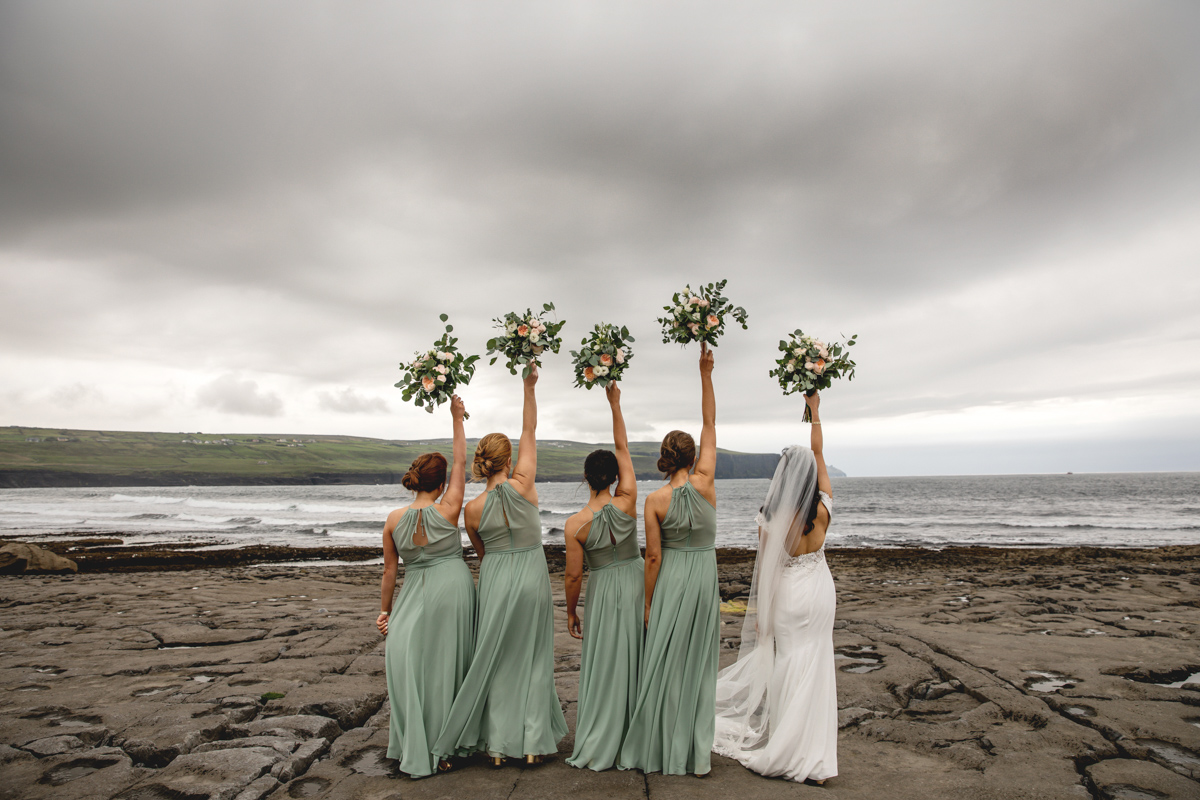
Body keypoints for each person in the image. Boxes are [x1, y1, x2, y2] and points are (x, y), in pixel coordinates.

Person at [433, 366, 567, 765]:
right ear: (508, 460)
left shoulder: (471, 509)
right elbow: (530, 430)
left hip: (495, 577)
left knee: (496, 660)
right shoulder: (524, 484)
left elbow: (480, 552)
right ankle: (530, 745)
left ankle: (496, 747)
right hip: (530, 574)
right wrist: (528, 387)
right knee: (535, 657)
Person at [712, 391, 836, 784]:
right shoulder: (823, 512)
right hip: (818, 593)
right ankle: (814, 759)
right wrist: (815, 412)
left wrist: (762, 618)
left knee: (788, 662)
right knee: (817, 666)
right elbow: (818, 456)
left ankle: (785, 742)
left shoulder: (770, 521)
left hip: (787, 597)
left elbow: (766, 571)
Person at [618, 343, 720, 776]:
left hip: (674, 577)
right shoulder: (707, 481)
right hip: (703, 579)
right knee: (698, 665)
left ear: (664, 457)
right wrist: (705, 373)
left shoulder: (656, 501)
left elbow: (654, 558)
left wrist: (647, 603)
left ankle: (661, 746)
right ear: (693, 457)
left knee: (664, 660)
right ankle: (693, 753)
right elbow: (710, 422)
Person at [377, 395, 475, 777]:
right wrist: (456, 418)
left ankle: (417, 742)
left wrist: (385, 611)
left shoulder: (392, 518)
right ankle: (446, 745)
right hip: (452, 587)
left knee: (412, 664)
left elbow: (389, 572)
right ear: (442, 482)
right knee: (447, 667)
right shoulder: (449, 508)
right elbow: (462, 460)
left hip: (413, 592)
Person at [563, 383, 643, 771]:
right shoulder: (628, 501)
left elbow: (574, 576)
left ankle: (603, 735)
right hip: (635, 581)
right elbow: (624, 448)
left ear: (585, 477)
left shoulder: (575, 524)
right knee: (637, 658)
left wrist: (571, 613)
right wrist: (615, 404)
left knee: (607, 660)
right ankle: (635, 732)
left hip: (604, 588)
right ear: (614, 476)